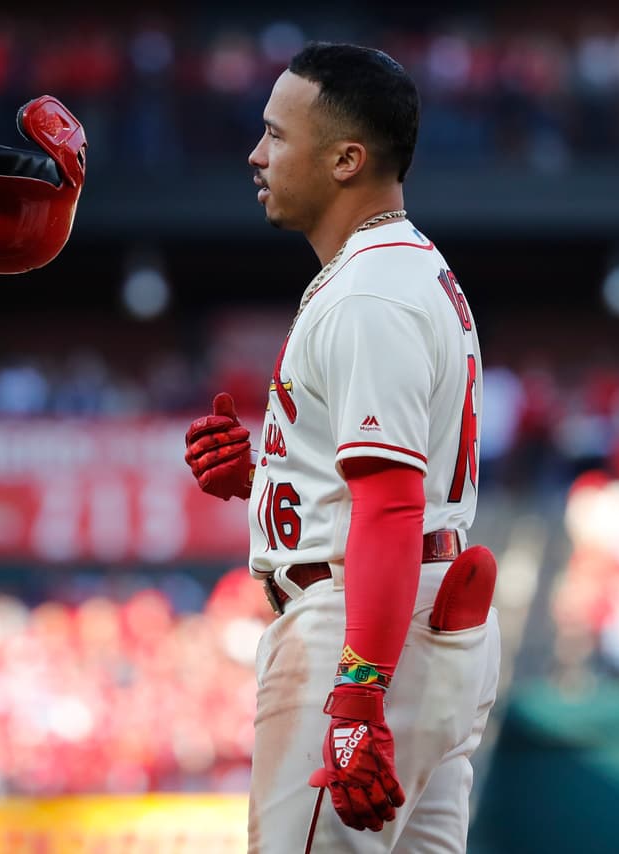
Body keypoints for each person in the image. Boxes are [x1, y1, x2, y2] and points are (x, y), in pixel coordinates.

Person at [184, 42, 501, 853]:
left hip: (361, 630)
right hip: (418, 615)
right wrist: (265, 480)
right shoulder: (404, 269)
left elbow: (392, 506)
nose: (257, 155)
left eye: (277, 136)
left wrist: (358, 696)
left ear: (347, 159)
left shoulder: (369, 291)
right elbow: (388, 493)